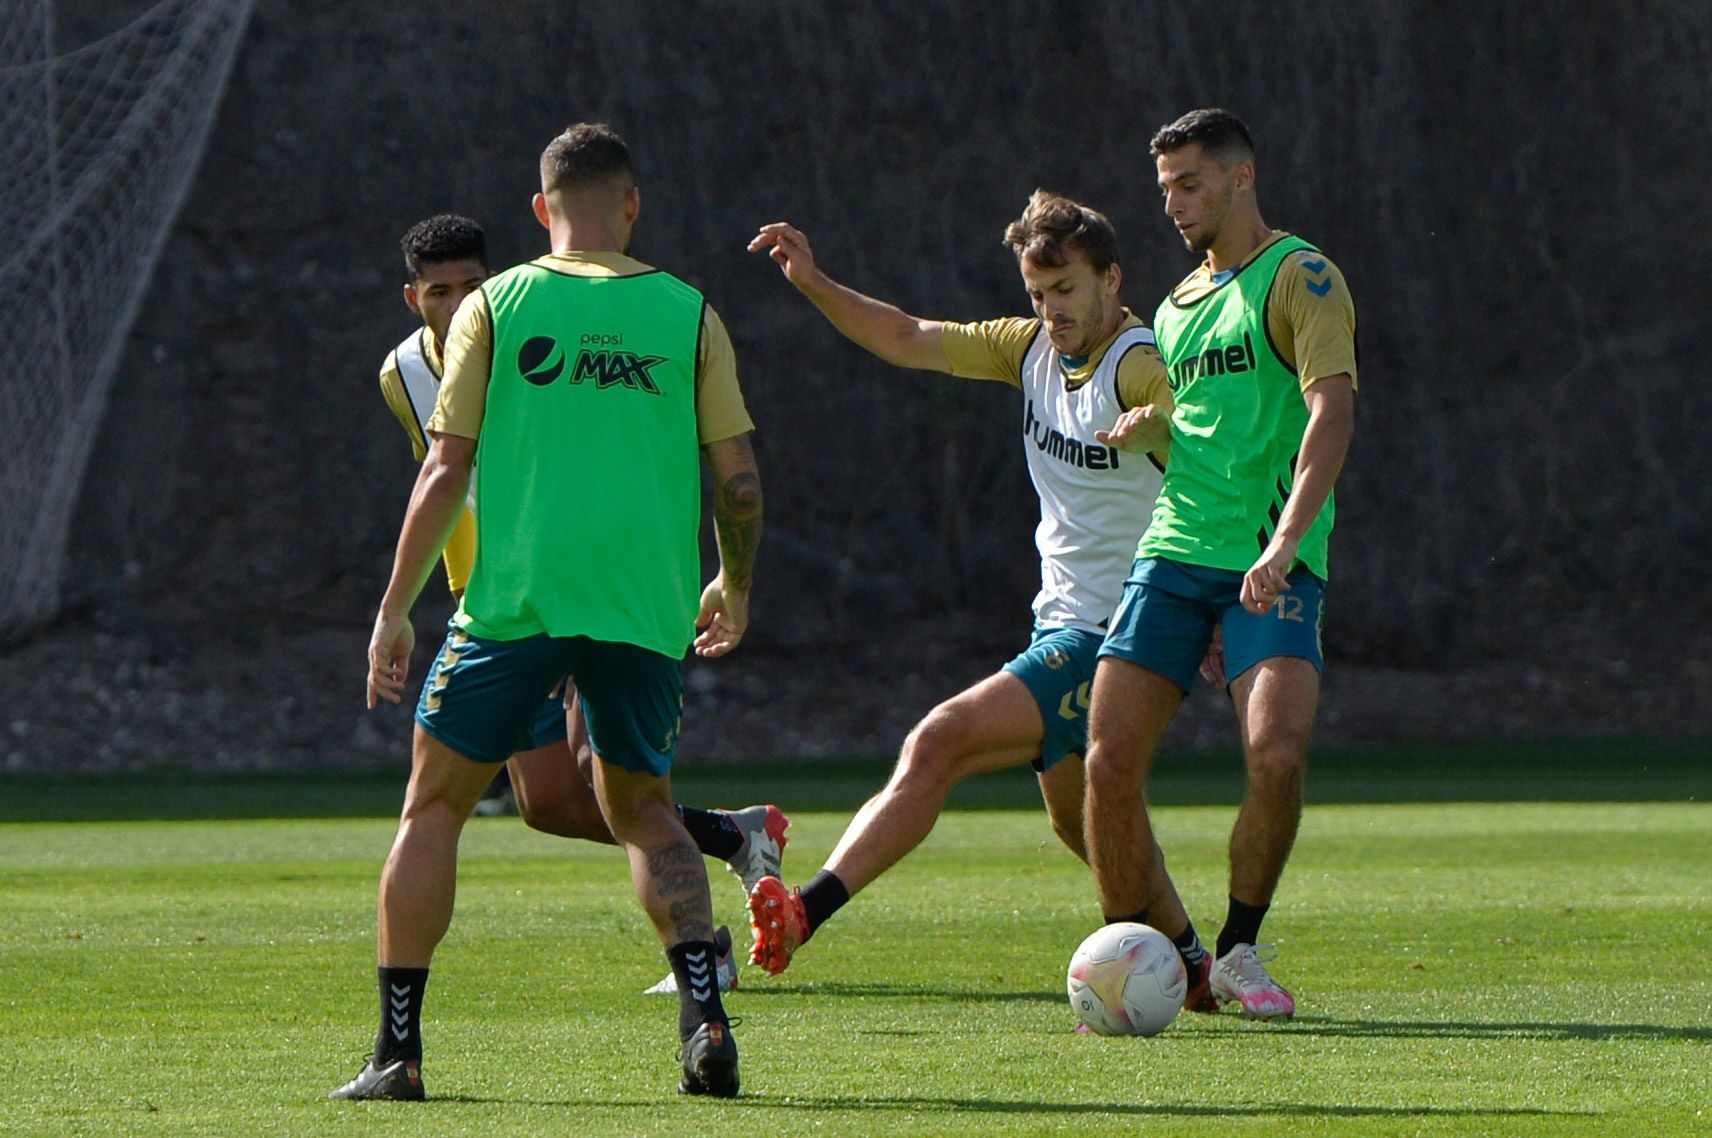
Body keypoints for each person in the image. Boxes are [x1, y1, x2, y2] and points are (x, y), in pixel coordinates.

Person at [333, 123, 762, 1101]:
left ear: (540, 210)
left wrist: (394, 609)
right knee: (646, 813)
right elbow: (737, 480)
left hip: (510, 609)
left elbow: (445, 470)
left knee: (432, 806)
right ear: (632, 205)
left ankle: (397, 1053)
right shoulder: (689, 313)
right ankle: (706, 1020)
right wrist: (734, 585)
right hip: (642, 612)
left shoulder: (494, 304)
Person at [744, 192, 1217, 1010]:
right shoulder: (1027, 348)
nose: (1051, 310)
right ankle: (1194, 963)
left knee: (941, 739)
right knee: (1091, 827)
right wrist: (815, 282)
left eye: (1066, 290)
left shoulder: (1138, 362)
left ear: (1112, 278)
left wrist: (1162, 432)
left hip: (1115, 631)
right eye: (1038, 294)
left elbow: (1214, 459)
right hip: (1058, 618)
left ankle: (805, 910)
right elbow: (904, 336)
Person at [378, 214, 788, 995]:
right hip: (500, 600)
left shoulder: (521, 325)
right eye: (440, 290)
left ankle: (708, 961)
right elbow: (448, 481)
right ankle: (733, 835)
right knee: (551, 802)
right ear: (413, 298)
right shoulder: (403, 376)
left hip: (582, 591)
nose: (459, 299)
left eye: (471, 283)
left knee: (618, 786)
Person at [1084, 108, 1358, 1021]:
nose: (1172, 203)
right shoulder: (1172, 307)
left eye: (1189, 183)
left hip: (1271, 560)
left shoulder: (1301, 276)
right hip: (1174, 551)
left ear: (1243, 176)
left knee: (1276, 752)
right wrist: (1153, 424)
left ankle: (1239, 948)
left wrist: (1284, 544)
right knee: (1106, 761)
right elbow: (1203, 428)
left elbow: (1331, 413)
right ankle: (1153, 956)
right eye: (1164, 187)